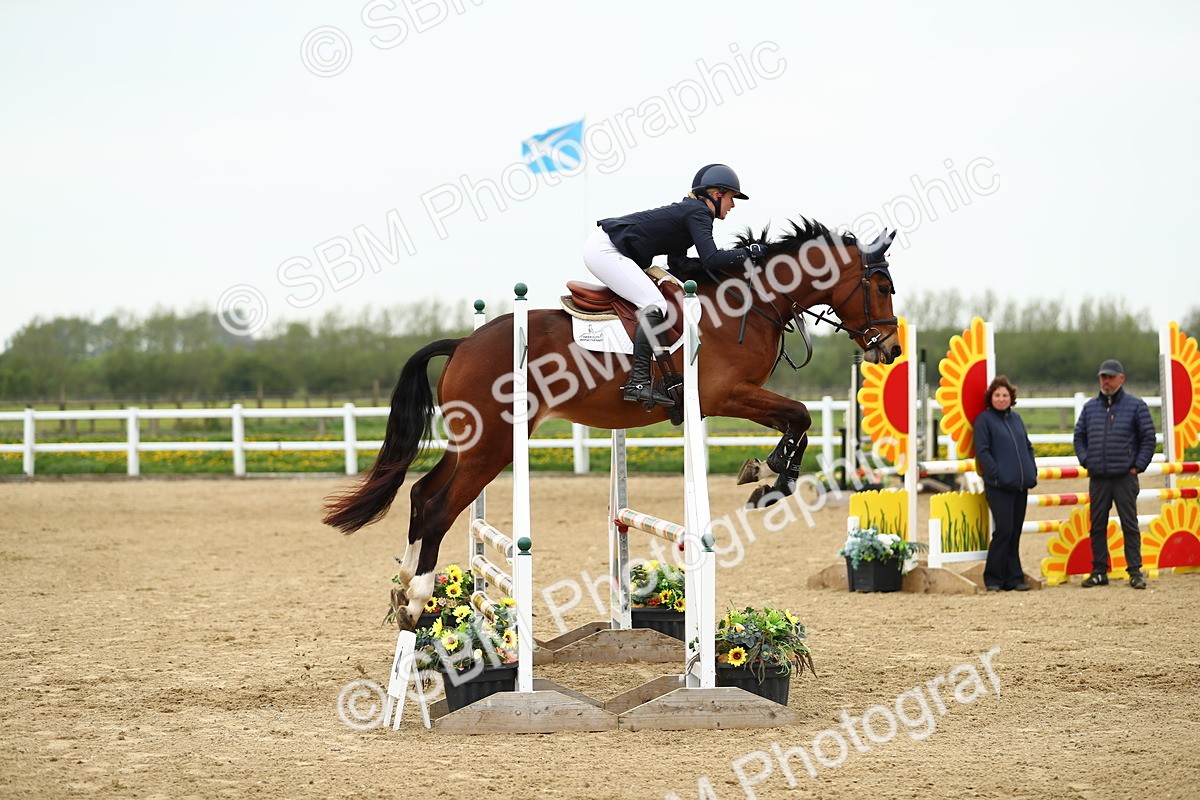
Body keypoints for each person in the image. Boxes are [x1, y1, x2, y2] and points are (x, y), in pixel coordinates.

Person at [583, 163, 764, 408]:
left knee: (654, 299)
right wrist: (748, 252)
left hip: (608, 247)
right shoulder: (698, 213)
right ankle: (638, 382)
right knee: (654, 302)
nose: (733, 205)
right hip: (605, 250)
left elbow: (678, 263)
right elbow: (711, 258)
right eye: (732, 198)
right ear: (717, 194)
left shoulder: (691, 212)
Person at [1073, 359, 1157, 589]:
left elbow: (1149, 438)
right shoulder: (1090, 408)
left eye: (1110, 377)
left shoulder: (1136, 406)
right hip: (1099, 477)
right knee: (1097, 525)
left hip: (1124, 477)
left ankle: (1135, 571)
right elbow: (1079, 437)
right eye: (1103, 377)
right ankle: (1099, 570)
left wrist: (1137, 466)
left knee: (1129, 524)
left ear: (1122, 378)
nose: (1106, 381)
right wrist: (1086, 460)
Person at [974, 376, 1038, 591]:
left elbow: (1027, 446)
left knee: (1015, 531)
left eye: (1005, 395)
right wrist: (996, 474)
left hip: (1020, 484)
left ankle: (1014, 578)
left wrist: (1032, 469)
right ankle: (993, 578)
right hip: (998, 485)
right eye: (997, 395)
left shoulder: (1017, 419)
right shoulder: (984, 420)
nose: (1001, 399)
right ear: (990, 397)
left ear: (1011, 398)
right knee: (1004, 529)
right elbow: (982, 450)